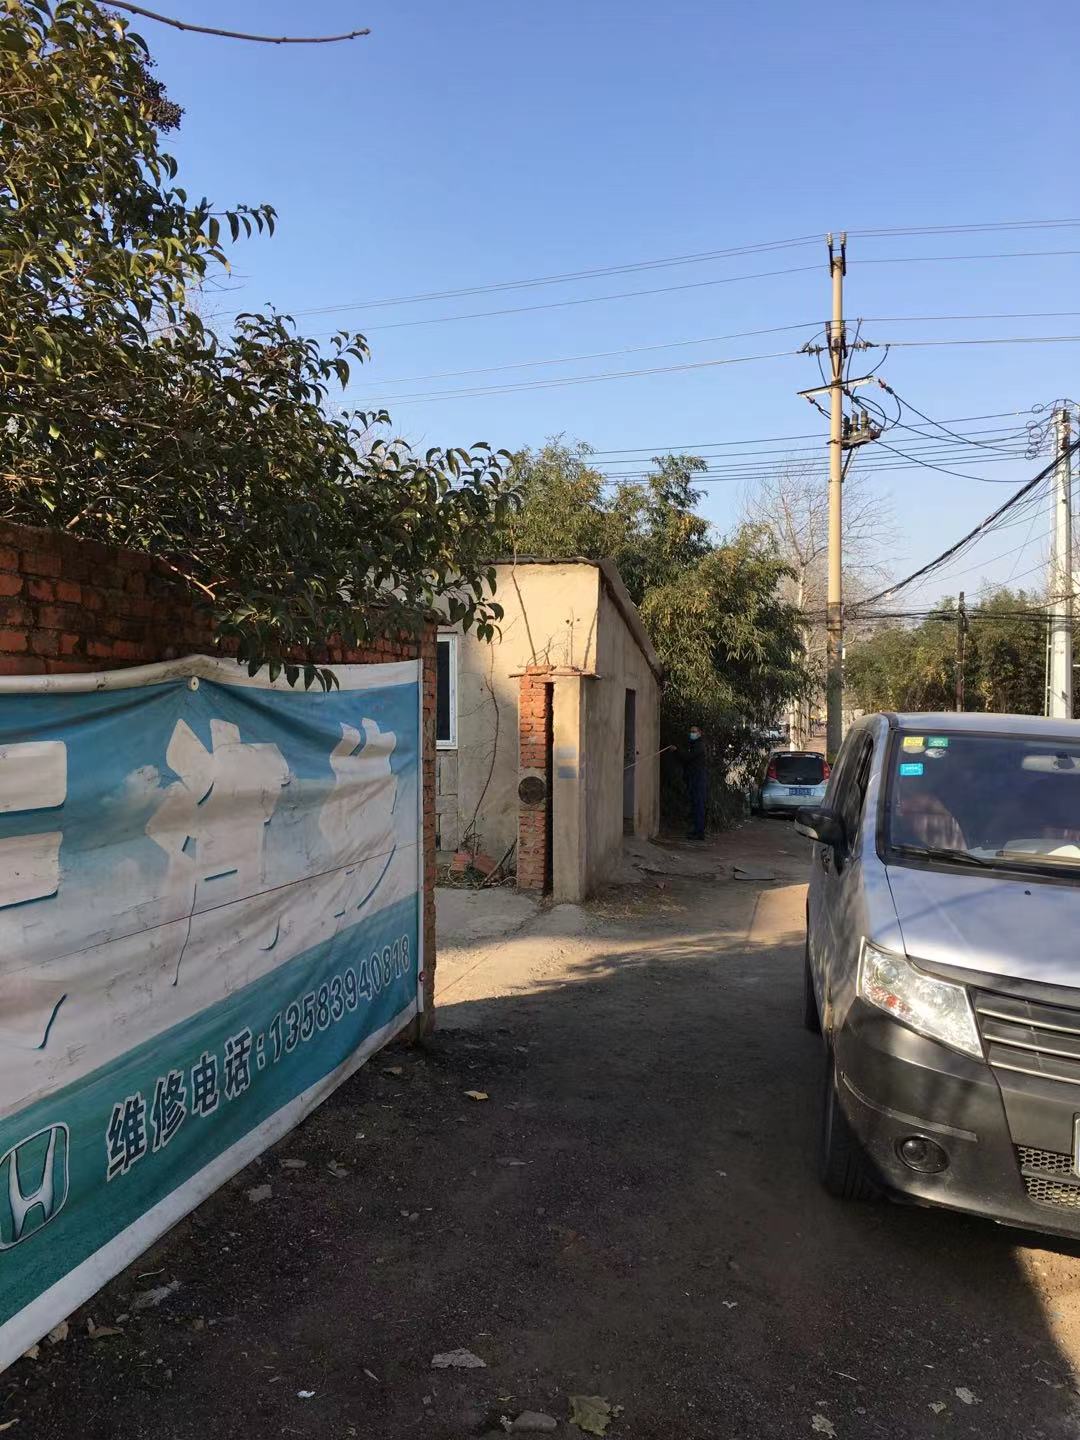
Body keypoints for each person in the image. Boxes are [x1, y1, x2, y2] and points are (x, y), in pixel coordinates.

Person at [681, 724, 708, 841]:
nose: (692, 733)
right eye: (691, 731)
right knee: (695, 804)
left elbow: (688, 757)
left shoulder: (699, 745)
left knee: (698, 804)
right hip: (694, 777)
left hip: (698, 777)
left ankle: (699, 832)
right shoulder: (694, 744)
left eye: (694, 731)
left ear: (699, 733)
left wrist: (677, 751)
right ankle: (697, 830)